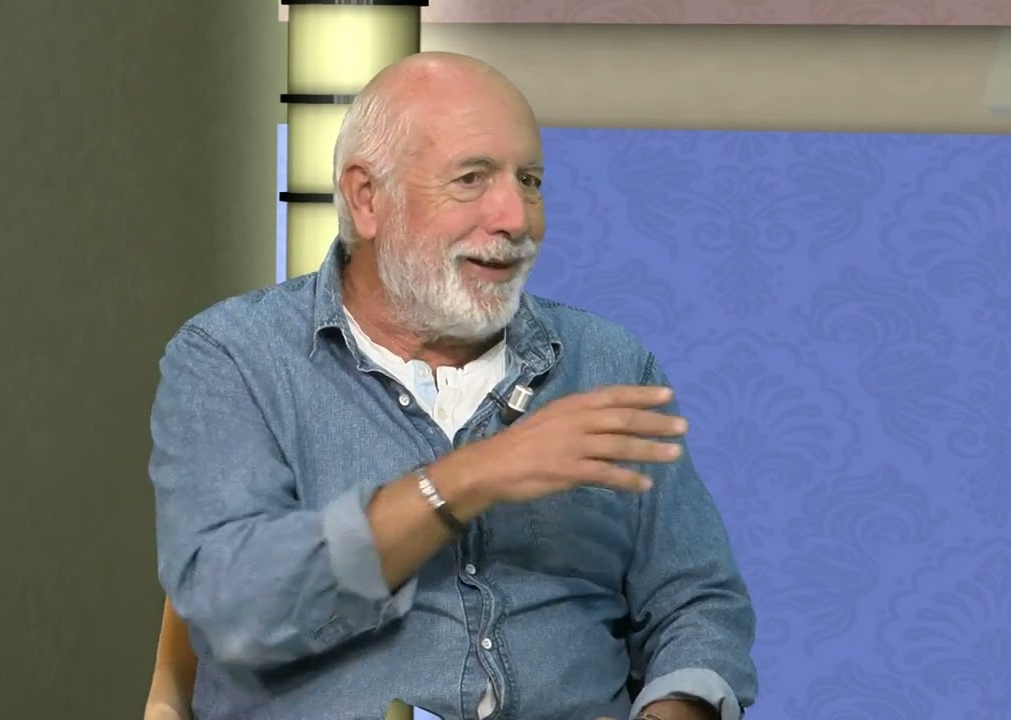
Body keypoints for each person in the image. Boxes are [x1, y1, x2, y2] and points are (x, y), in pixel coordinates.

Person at [147, 51, 758, 720]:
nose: (517, 218)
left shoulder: (610, 362)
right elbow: (231, 606)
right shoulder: (234, 357)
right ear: (367, 198)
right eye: (472, 179)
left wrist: (676, 710)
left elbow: (697, 603)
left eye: (530, 181)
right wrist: (468, 479)